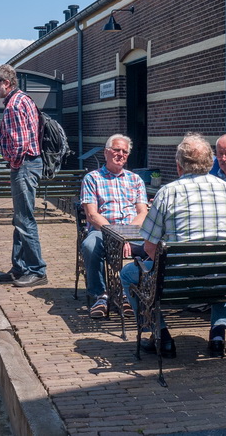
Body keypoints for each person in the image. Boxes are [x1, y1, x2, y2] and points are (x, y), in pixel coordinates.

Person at [120, 133, 226, 358]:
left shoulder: (168, 193)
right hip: (222, 281)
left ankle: (161, 335)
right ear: (211, 162)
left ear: (179, 165)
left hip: (177, 283)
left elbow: (150, 248)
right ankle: (218, 335)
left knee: (128, 274)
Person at [0, 64, 48, 288]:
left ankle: (37, 270)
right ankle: (20, 267)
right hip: (29, 164)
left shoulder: (13, 105)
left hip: (24, 165)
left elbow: (20, 145)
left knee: (25, 220)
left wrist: (13, 163)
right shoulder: (24, 99)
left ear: (6, 83)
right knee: (21, 219)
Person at [80, 134, 148, 319]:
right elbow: (92, 214)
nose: (120, 154)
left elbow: (142, 212)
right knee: (89, 246)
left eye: (124, 151)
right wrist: (117, 235)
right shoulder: (92, 178)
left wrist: (127, 235)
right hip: (103, 230)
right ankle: (100, 296)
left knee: (155, 248)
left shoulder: (136, 180)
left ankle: (133, 293)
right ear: (106, 152)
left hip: (132, 232)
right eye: (116, 150)